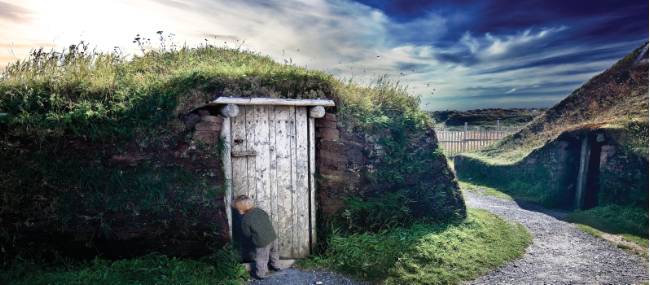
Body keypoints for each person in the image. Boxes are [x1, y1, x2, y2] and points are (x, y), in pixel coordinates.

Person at [233, 195, 282, 279]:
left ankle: (260, 274)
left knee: (262, 258)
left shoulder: (245, 220)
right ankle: (276, 267)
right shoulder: (260, 210)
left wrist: (252, 238)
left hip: (262, 241)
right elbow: (266, 217)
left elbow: (247, 233)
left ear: (240, 209)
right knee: (274, 252)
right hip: (272, 236)